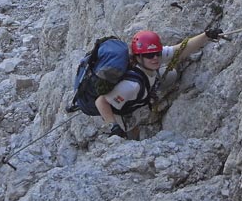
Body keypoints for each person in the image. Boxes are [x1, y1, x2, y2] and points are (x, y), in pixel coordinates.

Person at [95, 28, 223, 139]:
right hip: (120, 112)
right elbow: (101, 101)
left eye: (157, 53)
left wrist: (206, 36)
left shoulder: (148, 60)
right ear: (138, 57)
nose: (155, 58)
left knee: (170, 74)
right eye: (150, 55)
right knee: (131, 135)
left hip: (136, 94)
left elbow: (181, 49)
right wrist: (113, 126)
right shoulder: (131, 86)